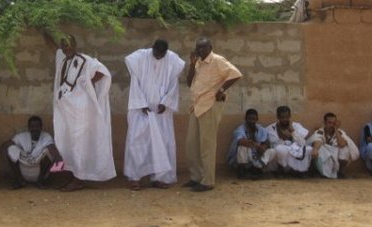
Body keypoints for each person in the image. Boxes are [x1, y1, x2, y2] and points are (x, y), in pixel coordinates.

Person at [51, 34, 116, 191]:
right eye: (63, 45)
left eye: (68, 45)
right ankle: (71, 175)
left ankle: (78, 180)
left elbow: (104, 72)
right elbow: (52, 47)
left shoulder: (84, 60)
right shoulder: (62, 59)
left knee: (78, 145)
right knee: (65, 143)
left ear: (75, 45)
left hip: (80, 111)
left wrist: (87, 82)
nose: (66, 47)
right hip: (66, 111)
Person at [123, 39, 185, 190]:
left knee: (162, 143)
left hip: (160, 112)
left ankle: (159, 177)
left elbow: (173, 83)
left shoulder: (172, 60)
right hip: (140, 109)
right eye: (156, 53)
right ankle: (135, 178)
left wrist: (166, 102)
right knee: (137, 142)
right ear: (152, 49)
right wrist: (141, 103)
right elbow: (135, 81)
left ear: (166, 52)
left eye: (161, 54)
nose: (158, 57)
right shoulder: (140, 57)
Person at [184, 36, 242, 192]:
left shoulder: (217, 60)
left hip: (210, 106)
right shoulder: (198, 63)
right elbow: (189, 83)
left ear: (210, 47)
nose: (199, 50)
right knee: (192, 144)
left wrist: (222, 90)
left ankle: (208, 181)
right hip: (196, 106)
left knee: (207, 146)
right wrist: (191, 64)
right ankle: (196, 177)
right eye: (198, 48)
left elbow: (236, 74)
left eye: (202, 48)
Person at [1, 115, 63, 189]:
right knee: (11, 149)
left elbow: (52, 149)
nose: (34, 128)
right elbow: (5, 146)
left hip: (38, 171)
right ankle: (20, 181)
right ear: (29, 127)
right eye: (32, 126)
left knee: (48, 151)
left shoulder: (46, 137)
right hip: (23, 170)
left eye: (37, 126)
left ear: (41, 127)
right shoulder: (22, 136)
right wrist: (6, 161)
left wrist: (59, 161)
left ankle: (40, 181)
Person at [308, 112, 359, 179]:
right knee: (318, 149)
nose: (332, 125)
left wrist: (335, 129)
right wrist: (315, 149)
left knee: (345, 150)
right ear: (324, 123)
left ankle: (341, 172)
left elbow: (342, 144)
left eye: (334, 123)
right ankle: (318, 172)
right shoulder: (320, 131)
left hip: (335, 160)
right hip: (324, 158)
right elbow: (318, 140)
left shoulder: (339, 132)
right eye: (329, 123)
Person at [228, 108, 275, 178]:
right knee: (242, 147)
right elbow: (241, 141)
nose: (252, 121)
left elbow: (266, 142)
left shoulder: (261, 129)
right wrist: (256, 146)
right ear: (245, 119)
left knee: (272, 151)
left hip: (257, 155)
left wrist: (263, 147)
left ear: (257, 119)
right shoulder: (240, 129)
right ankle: (242, 171)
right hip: (243, 157)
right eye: (249, 119)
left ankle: (257, 169)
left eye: (254, 119)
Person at [266, 106, 311, 176]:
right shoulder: (270, 128)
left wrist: (292, 132)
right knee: (279, 149)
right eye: (282, 117)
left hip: (295, 151)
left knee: (308, 149)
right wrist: (283, 138)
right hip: (281, 154)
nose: (284, 119)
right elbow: (273, 144)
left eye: (286, 117)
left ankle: (298, 171)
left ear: (290, 116)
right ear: (278, 117)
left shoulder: (296, 126)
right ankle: (281, 171)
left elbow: (302, 143)